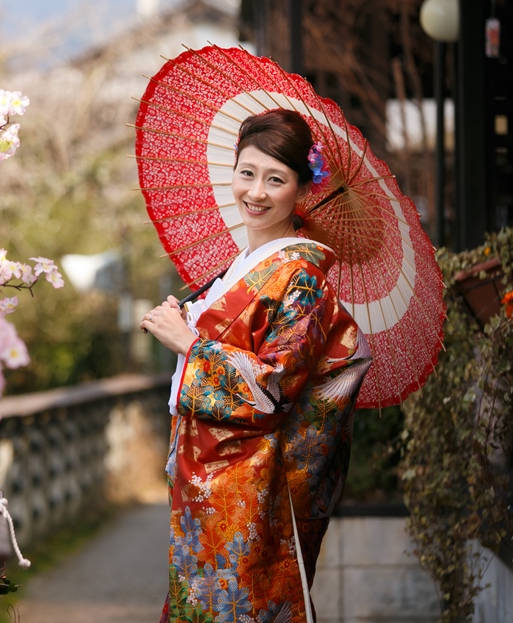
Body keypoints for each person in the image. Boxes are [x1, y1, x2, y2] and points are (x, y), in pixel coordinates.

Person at [140, 109, 372, 623]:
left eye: (276, 179)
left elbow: (271, 392)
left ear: (302, 188)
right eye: (247, 173)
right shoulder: (242, 268)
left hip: (249, 491)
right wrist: (188, 324)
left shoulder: (302, 278)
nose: (256, 192)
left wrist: (190, 346)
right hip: (206, 481)